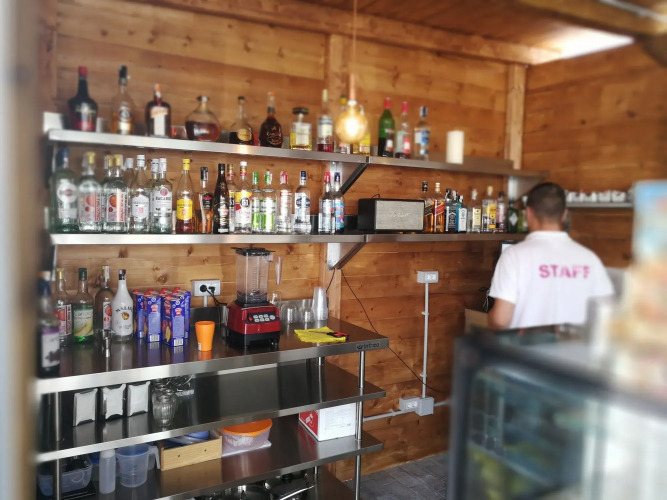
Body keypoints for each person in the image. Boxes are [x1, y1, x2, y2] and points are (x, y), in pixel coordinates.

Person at [488, 182, 614, 329]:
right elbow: (608, 316)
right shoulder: (590, 259)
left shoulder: (513, 256)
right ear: (564, 215)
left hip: (526, 344)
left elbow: (500, 320)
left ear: (528, 213)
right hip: (576, 344)